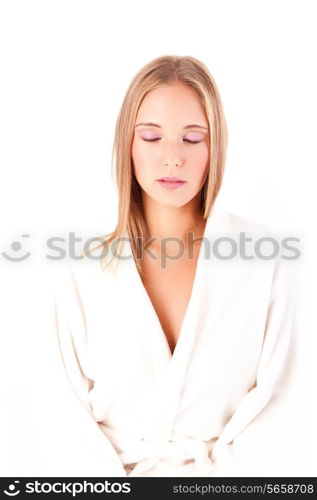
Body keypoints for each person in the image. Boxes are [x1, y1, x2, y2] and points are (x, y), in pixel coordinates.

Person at [51, 55, 300, 476]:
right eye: (151, 137)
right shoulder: (82, 270)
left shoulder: (266, 260)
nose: (172, 158)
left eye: (192, 138)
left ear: (214, 146)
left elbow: (283, 403)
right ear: (127, 145)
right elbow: (59, 414)